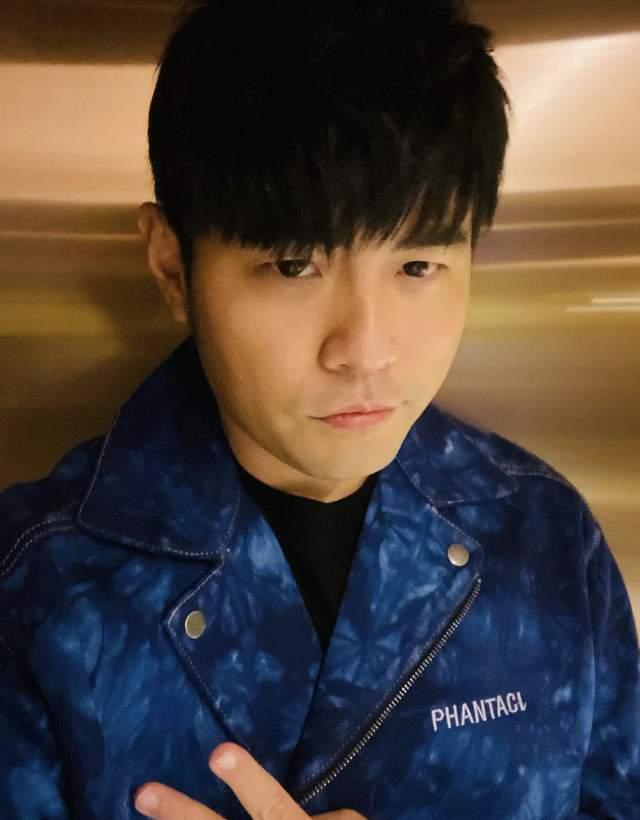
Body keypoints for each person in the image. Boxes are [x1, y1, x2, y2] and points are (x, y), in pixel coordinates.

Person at [1, 0, 639, 817]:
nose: (365, 350)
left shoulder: (543, 538)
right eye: (294, 266)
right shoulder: (37, 586)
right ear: (172, 267)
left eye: (417, 266)